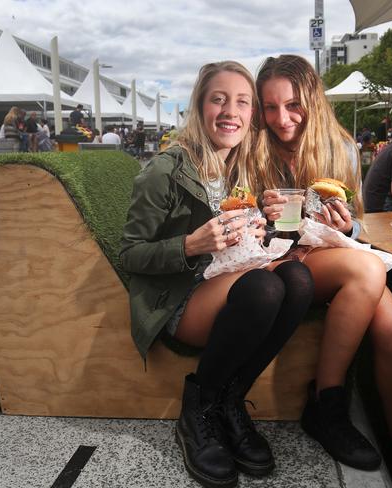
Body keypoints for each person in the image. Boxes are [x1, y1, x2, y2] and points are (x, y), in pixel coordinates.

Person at [254, 54, 392, 488]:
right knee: (366, 270)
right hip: (283, 260)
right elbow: (251, 224)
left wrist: (349, 225)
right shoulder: (255, 148)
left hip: (337, 253)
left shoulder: (340, 146)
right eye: (269, 107)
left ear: (312, 100)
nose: (281, 118)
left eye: (292, 105)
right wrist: (265, 215)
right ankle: (327, 405)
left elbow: (359, 219)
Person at [120, 61, 315, 488]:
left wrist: (264, 223)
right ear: (200, 106)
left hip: (225, 285)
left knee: (299, 281)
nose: (231, 110)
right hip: (178, 300)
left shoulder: (238, 170)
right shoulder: (165, 170)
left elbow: (241, 249)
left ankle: (230, 403)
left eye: (242, 102)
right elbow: (131, 253)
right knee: (265, 287)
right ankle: (199, 409)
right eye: (219, 99)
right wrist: (191, 244)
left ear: (251, 115)